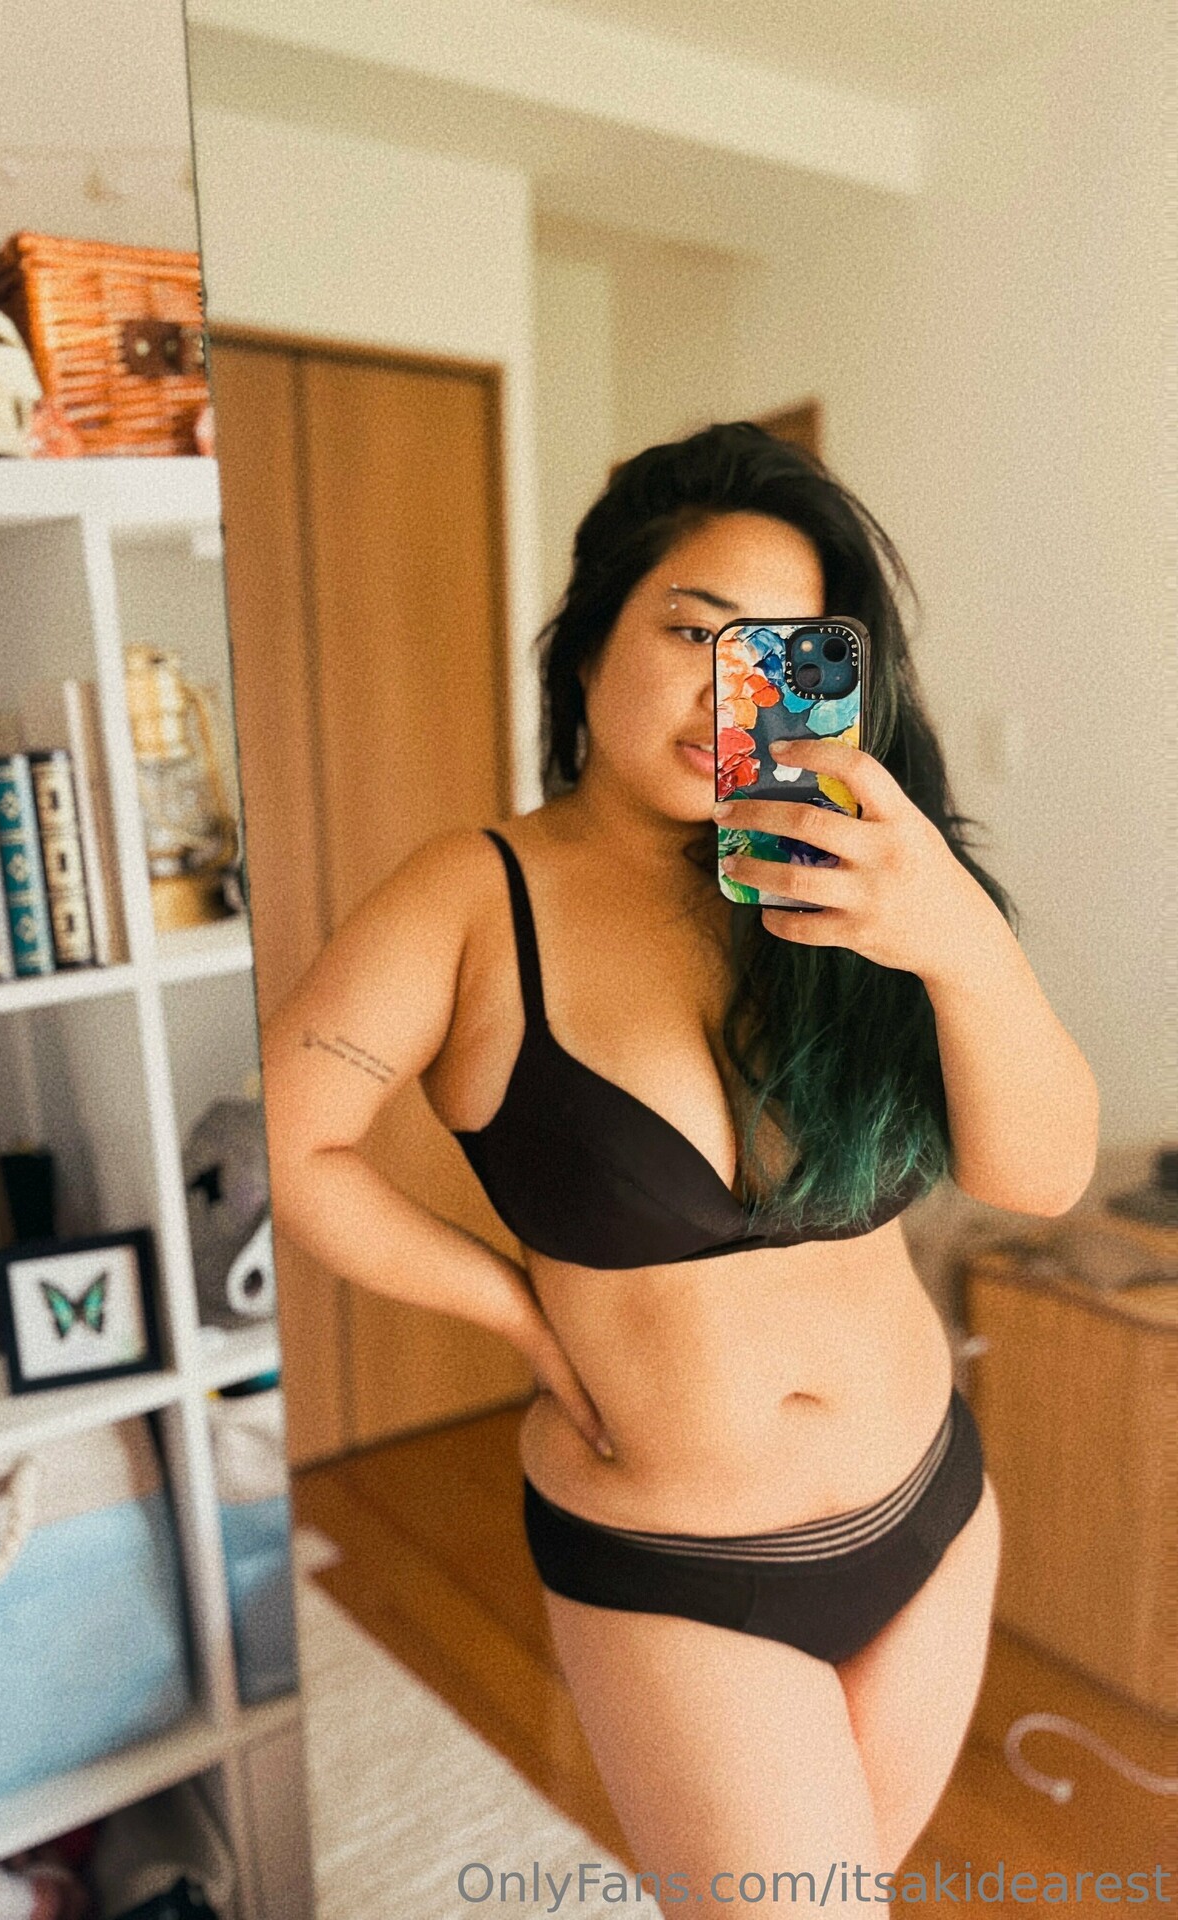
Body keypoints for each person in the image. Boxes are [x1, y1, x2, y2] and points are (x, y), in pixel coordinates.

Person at [259, 422, 1099, 1911]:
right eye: (693, 632)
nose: (732, 691)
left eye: (778, 654)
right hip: (676, 1571)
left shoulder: (859, 888)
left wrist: (958, 940)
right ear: (589, 641)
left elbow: (1040, 1177)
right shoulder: (473, 897)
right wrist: (517, 1313)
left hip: (932, 1509)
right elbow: (294, 1139)